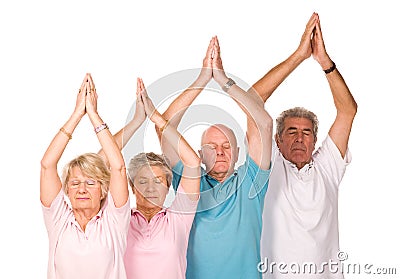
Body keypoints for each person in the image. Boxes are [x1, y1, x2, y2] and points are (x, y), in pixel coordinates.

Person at [249, 13, 357, 278]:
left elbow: (348, 111)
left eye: (306, 133)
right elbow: (251, 99)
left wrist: (324, 63)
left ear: (315, 140)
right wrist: (299, 56)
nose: (299, 138)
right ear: (277, 139)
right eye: (292, 131)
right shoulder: (268, 166)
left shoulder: (327, 167)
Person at [157, 37, 273, 279]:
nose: (220, 152)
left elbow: (263, 123)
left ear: (238, 153)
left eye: (226, 146)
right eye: (211, 146)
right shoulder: (190, 181)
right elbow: (164, 127)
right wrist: (202, 79)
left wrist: (222, 80)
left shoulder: (251, 181)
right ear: (199, 154)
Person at [99, 78, 201, 279]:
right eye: (143, 181)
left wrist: (156, 118)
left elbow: (193, 164)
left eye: (158, 181)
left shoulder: (179, 218)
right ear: (132, 187)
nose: (150, 188)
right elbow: (98, 163)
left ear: (168, 186)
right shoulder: (118, 218)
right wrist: (137, 121)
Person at [40, 73, 130, 279]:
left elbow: (117, 167)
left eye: (90, 183)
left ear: (102, 191)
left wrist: (94, 116)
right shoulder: (58, 219)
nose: (81, 189)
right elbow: (47, 165)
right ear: (66, 190)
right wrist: (77, 114)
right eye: (75, 183)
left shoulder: (114, 221)